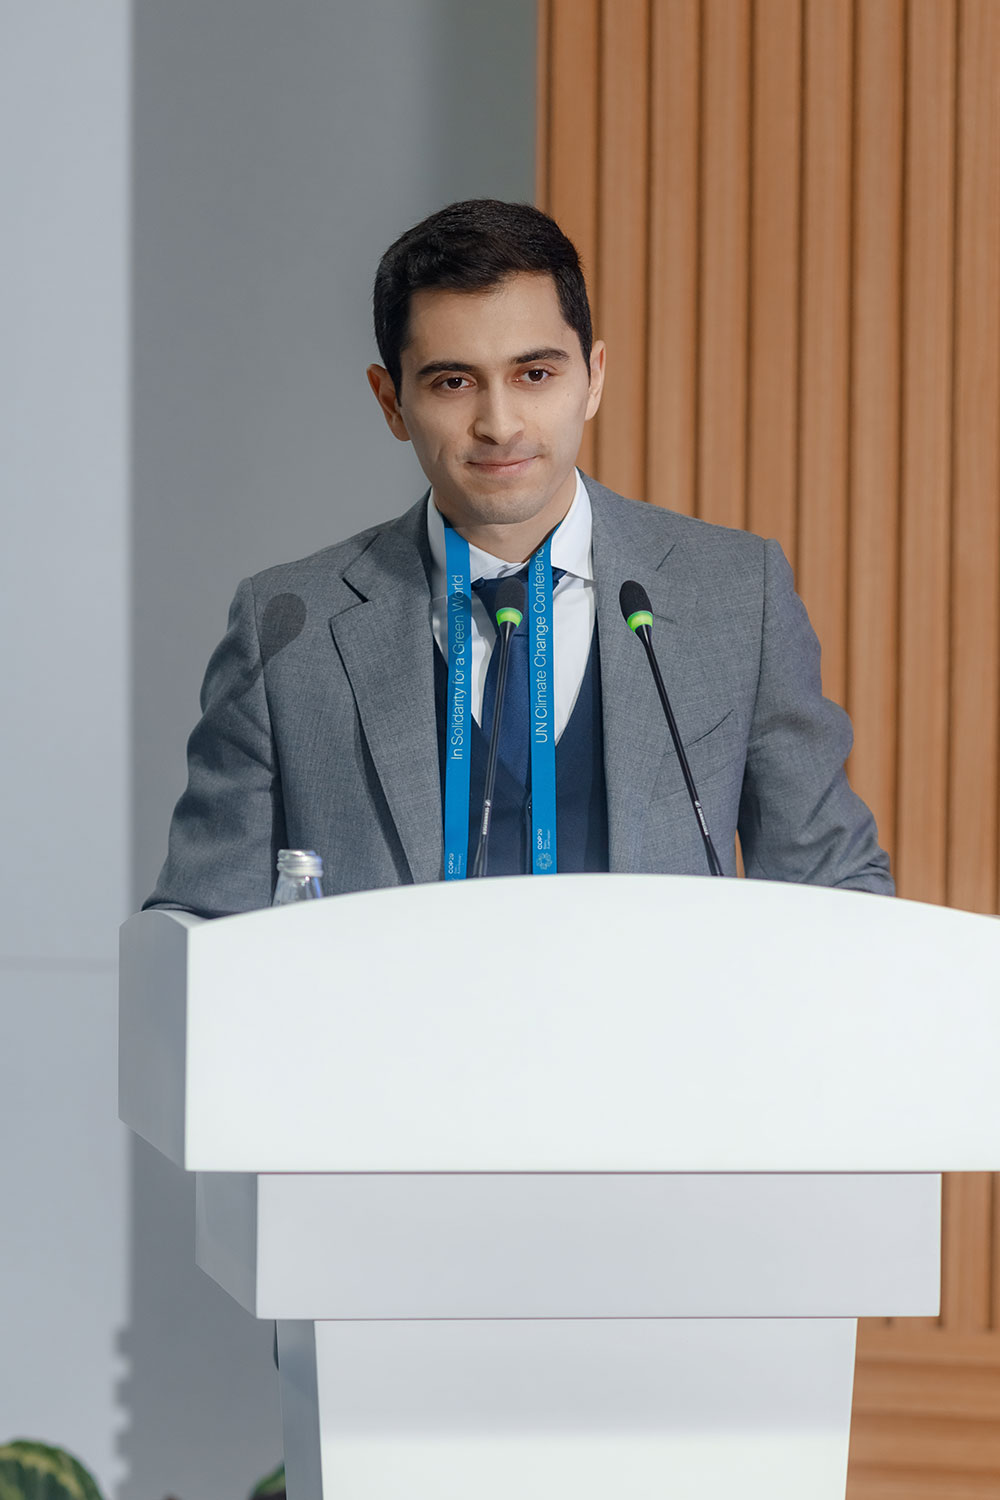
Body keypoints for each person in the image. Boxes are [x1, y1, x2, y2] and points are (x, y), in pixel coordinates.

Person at [145, 198, 892, 915]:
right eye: (453, 382)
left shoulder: (735, 597)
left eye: (535, 375)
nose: (499, 424)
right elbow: (201, 924)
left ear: (594, 378)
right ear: (391, 401)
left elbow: (837, 889)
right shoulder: (288, 631)